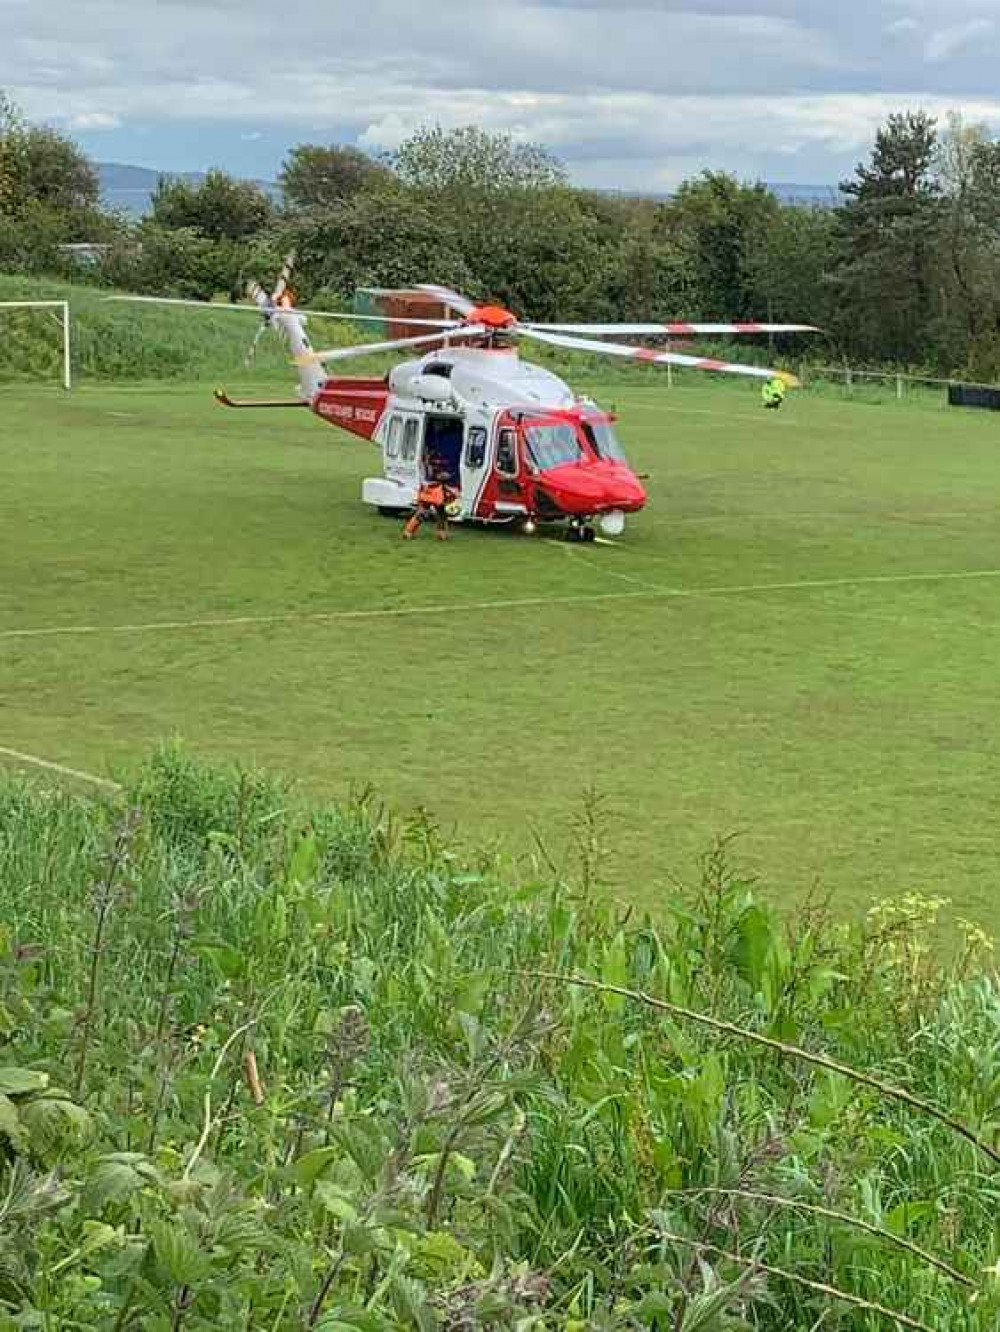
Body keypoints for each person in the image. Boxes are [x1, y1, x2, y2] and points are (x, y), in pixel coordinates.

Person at [402, 454, 460, 541]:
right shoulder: (437, 465)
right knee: (441, 513)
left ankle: (408, 531)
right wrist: (451, 476)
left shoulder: (426, 461)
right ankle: (441, 534)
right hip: (436, 492)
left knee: (423, 511)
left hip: (426, 490)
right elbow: (442, 476)